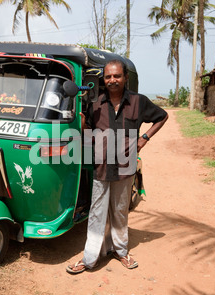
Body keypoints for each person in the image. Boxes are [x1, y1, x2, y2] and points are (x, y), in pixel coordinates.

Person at [66, 59, 168, 274]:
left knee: (120, 211)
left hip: (125, 166)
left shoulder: (139, 102)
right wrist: (83, 123)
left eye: (117, 76)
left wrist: (145, 138)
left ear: (125, 78)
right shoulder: (94, 104)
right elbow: (87, 135)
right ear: (104, 80)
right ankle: (90, 258)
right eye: (108, 76)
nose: (112, 80)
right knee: (96, 212)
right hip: (101, 167)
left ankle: (120, 251)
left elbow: (162, 116)